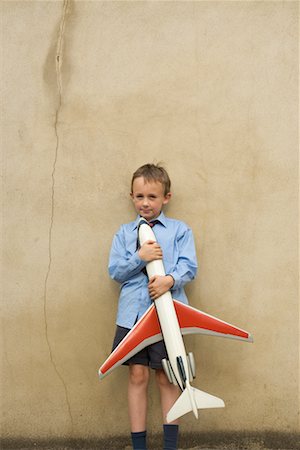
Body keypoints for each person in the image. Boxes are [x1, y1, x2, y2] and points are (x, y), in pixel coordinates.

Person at [108, 163, 198, 450]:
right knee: (137, 375)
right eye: (139, 197)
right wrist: (140, 256)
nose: (145, 203)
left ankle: (170, 446)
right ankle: (139, 446)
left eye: (152, 197)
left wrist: (169, 281)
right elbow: (116, 271)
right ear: (131, 197)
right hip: (133, 317)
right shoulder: (124, 234)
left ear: (166, 198)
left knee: (166, 376)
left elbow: (189, 266)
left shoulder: (180, 231)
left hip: (168, 316)